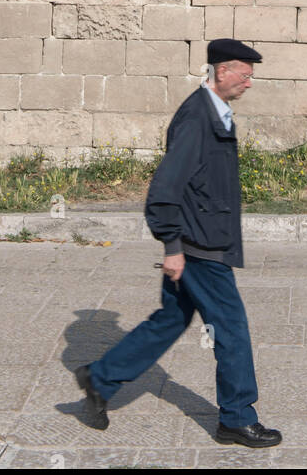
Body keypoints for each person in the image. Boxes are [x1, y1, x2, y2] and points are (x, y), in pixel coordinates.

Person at [75, 38, 282, 448]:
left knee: (170, 321)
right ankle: (237, 419)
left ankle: (99, 378)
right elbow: (164, 189)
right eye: (245, 73)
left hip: (202, 240)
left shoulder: (214, 112)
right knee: (232, 330)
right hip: (198, 247)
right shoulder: (196, 118)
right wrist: (172, 246)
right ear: (221, 72)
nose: (249, 83)